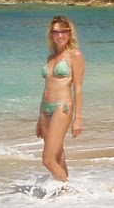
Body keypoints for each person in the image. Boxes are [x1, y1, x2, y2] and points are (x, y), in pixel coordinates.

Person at [35, 14, 84, 186]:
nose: (60, 35)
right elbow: (47, 87)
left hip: (62, 107)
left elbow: (77, 88)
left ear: (70, 33)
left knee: (47, 160)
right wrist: (38, 119)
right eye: (56, 32)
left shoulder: (74, 55)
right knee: (57, 155)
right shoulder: (51, 58)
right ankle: (64, 194)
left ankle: (71, 190)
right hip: (45, 109)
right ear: (51, 34)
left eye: (64, 31)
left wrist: (77, 119)